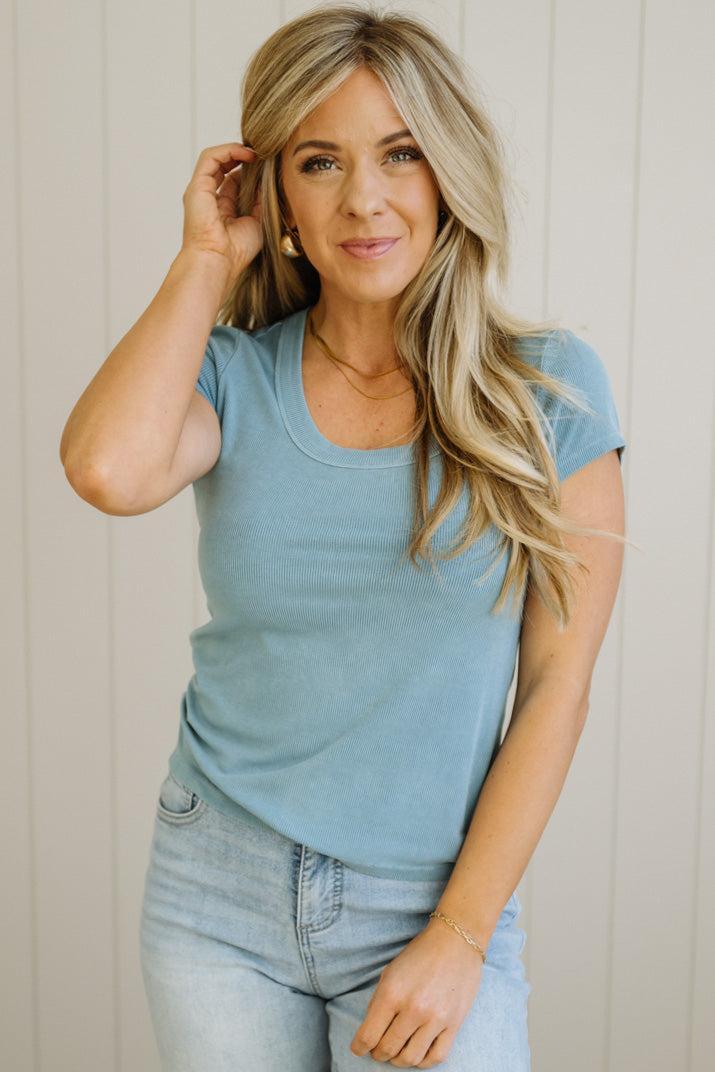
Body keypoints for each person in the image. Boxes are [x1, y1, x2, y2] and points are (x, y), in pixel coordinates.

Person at [59, 4, 630, 1069]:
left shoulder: (548, 391)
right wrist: (204, 256)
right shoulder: (232, 376)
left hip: (432, 900)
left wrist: (459, 936)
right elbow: (108, 471)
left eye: (400, 154)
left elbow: (556, 687)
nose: (363, 198)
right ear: (275, 192)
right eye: (319, 162)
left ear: (448, 171)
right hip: (215, 890)